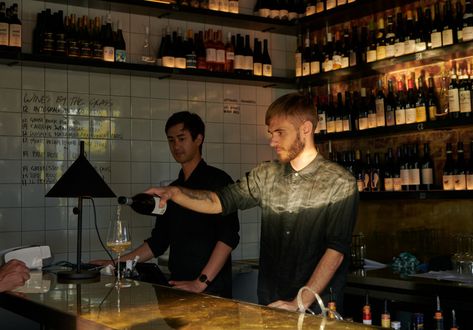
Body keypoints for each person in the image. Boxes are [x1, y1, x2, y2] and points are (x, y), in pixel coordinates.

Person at [145, 93, 358, 313]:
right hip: (271, 302)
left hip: (317, 308)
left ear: (305, 128)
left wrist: (299, 302)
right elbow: (219, 201)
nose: (272, 141)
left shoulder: (340, 182)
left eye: (279, 132)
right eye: (270, 133)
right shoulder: (266, 174)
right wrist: (175, 193)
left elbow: (336, 251)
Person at [92, 111, 239, 298]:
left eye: (181, 138)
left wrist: (201, 282)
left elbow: (229, 237)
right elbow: (158, 242)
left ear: (198, 139)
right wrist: (115, 263)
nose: (176, 145)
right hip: (177, 284)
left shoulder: (218, 181)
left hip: (211, 289)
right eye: (171, 140)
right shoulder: (171, 190)